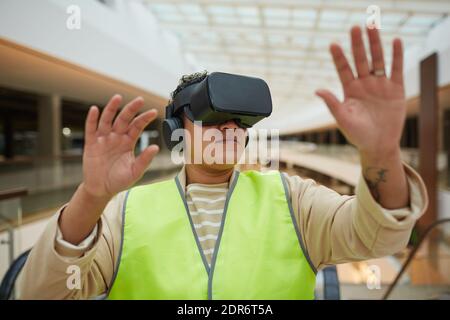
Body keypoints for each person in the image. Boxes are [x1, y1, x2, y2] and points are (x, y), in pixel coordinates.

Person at [18, 26, 427, 299]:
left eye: (242, 121)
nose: (231, 129)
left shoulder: (293, 200)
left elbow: (380, 238)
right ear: (175, 130)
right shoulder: (125, 214)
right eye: (213, 118)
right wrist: (91, 196)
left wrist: (380, 155)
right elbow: (44, 294)